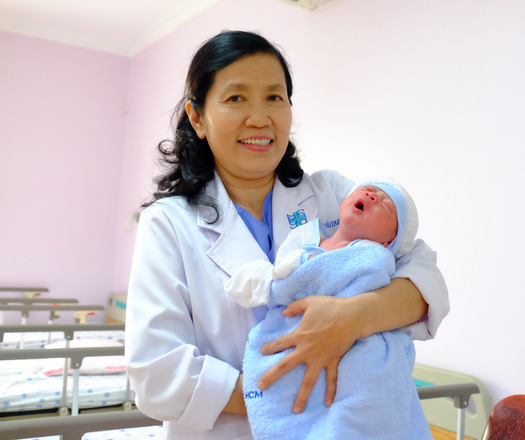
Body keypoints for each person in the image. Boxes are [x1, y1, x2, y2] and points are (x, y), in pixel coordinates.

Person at [125, 30, 449, 440]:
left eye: (274, 97)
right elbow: (158, 375)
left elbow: (425, 278)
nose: (260, 117)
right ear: (198, 118)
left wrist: (352, 319)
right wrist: (289, 389)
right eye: (236, 98)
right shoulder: (169, 224)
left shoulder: (332, 196)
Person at [226, 178, 434, 440]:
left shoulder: (372, 256)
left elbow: (373, 277)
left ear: (388, 241)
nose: (372, 196)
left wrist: (281, 278)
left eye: (386, 204)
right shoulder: (304, 245)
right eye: (369, 190)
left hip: (360, 356)